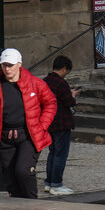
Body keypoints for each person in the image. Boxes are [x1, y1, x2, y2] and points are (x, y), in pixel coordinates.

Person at [0, 48, 57, 200]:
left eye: (10, 65)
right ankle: (17, 208)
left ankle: (33, 203)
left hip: (28, 136)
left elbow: (50, 103)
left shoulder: (35, 83)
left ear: (19, 64)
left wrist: (42, 125)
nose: (7, 68)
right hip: (4, 137)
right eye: (4, 65)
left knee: (23, 171)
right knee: (10, 177)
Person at [43, 55, 79, 196]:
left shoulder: (45, 81)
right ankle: (56, 184)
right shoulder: (61, 83)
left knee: (52, 153)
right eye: (67, 71)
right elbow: (69, 102)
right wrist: (73, 95)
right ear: (64, 69)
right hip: (61, 123)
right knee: (60, 154)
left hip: (49, 122)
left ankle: (49, 182)